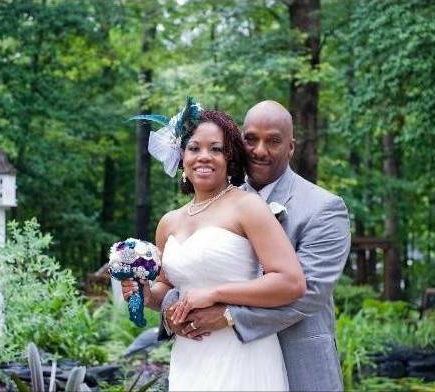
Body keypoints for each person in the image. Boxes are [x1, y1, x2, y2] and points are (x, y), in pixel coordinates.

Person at [158, 100, 352, 391]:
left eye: (273, 141)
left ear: (291, 147)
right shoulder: (217, 200)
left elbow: (309, 292)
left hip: (297, 358)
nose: (260, 150)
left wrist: (228, 315)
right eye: (251, 139)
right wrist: (171, 311)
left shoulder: (323, 208)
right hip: (208, 358)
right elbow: (187, 279)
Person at [123, 99, 307, 391]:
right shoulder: (168, 222)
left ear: (230, 158)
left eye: (216, 149)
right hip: (190, 355)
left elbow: (290, 282)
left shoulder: (247, 207)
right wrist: (145, 293)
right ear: (181, 155)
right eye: (194, 148)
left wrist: (214, 295)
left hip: (243, 354)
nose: (204, 156)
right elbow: (166, 289)